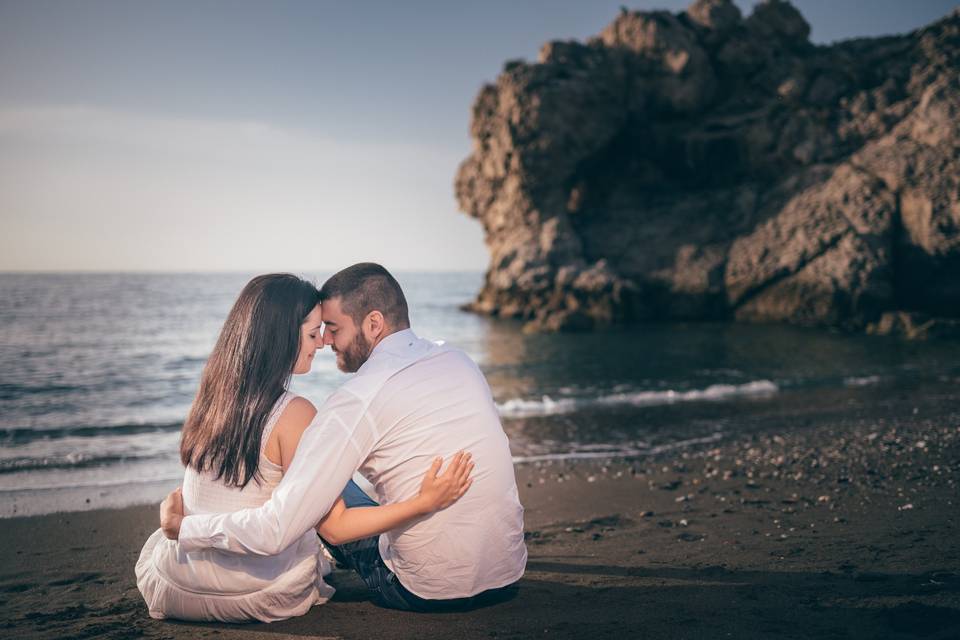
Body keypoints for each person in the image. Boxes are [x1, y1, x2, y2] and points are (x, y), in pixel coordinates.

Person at [161, 263, 527, 612]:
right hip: (507, 573)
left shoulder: (355, 400)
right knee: (327, 477)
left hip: (424, 590)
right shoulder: (458, 358)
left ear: (373, 324)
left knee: (321, 484)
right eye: (318, 331)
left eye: (333, 328)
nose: (325, 342)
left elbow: (323, 529)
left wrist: (185, 527)